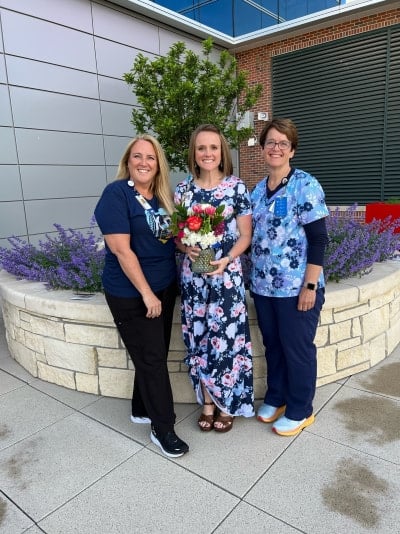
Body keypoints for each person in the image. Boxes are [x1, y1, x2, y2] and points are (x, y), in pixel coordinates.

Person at [94, 134, 189, 458]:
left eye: (150, 157)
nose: (144, 163)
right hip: (131, 293)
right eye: (137, 156)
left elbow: (170, 241)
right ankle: (163, 428)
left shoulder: (162, 198)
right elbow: (122, 251)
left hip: (164, 287)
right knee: (152, 359)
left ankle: (141, 408)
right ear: (128, 161)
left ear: (158, 163)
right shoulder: (116, 194)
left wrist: (198, 251)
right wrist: (147, 294)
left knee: (154, 354)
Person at [250, 117, 329, 437]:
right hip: (263, 288)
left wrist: (310, 285)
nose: (276, 148)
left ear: (292, 150)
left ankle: (300, 409)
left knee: (297, 348)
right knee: (274, 346)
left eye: (283, 143)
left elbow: (320, 239)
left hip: (297, 288)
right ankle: (277, 396)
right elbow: (250, 237)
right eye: (271, 142)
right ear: (263, 148)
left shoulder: (305, 184)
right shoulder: (256, 191)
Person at [174, 124, 254, 433]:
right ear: (194, 154)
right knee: (199, 338)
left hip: (226, 276)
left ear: (222, 152)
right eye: (201, 148)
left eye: (213, 147)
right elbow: (177, 236)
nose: (208, 153)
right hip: (194, 278)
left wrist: (228, 259)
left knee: (227, 341)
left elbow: (245, 235)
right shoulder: (183, 190)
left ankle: (226, 404)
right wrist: (186, 247)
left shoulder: (236, 188)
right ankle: (206, 403)